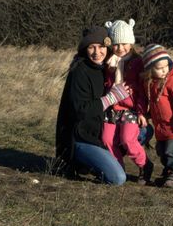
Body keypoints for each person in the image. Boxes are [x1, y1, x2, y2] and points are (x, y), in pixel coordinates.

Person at [55, 26, 132, 185]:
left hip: (100, 134)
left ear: (108, 47)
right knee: (118, 178)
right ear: (85, 49)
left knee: (142, 131)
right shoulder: (79, 71)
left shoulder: (106, 68)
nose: (97, 52)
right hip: (80, 138)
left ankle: (93, 162)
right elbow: (80, 111)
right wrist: (110, 98)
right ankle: (77, 161)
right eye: (91, 47)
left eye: (101, 46)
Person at [102, 19, 154, 185]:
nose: (120, 48)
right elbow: (106, 86)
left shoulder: (137, 63)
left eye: (124, 44)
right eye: (116, 44)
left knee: (127, 139)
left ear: (131, 43)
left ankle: (145, 165)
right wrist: (110, 71)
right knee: (107, 139)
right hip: (112, 109)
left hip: (130, 110)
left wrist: (141, 112)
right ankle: (117, 169)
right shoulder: (109, 62)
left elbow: (142, 90)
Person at [142, 44, 173, 187]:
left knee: (171, 152)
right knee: (162, 151)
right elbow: (154, 104)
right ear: (150, 69)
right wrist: (147, 114)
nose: (164, 70)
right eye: (159, 68)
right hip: (161, 128)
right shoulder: (150, 84)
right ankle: (168, 173)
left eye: (166, 66)